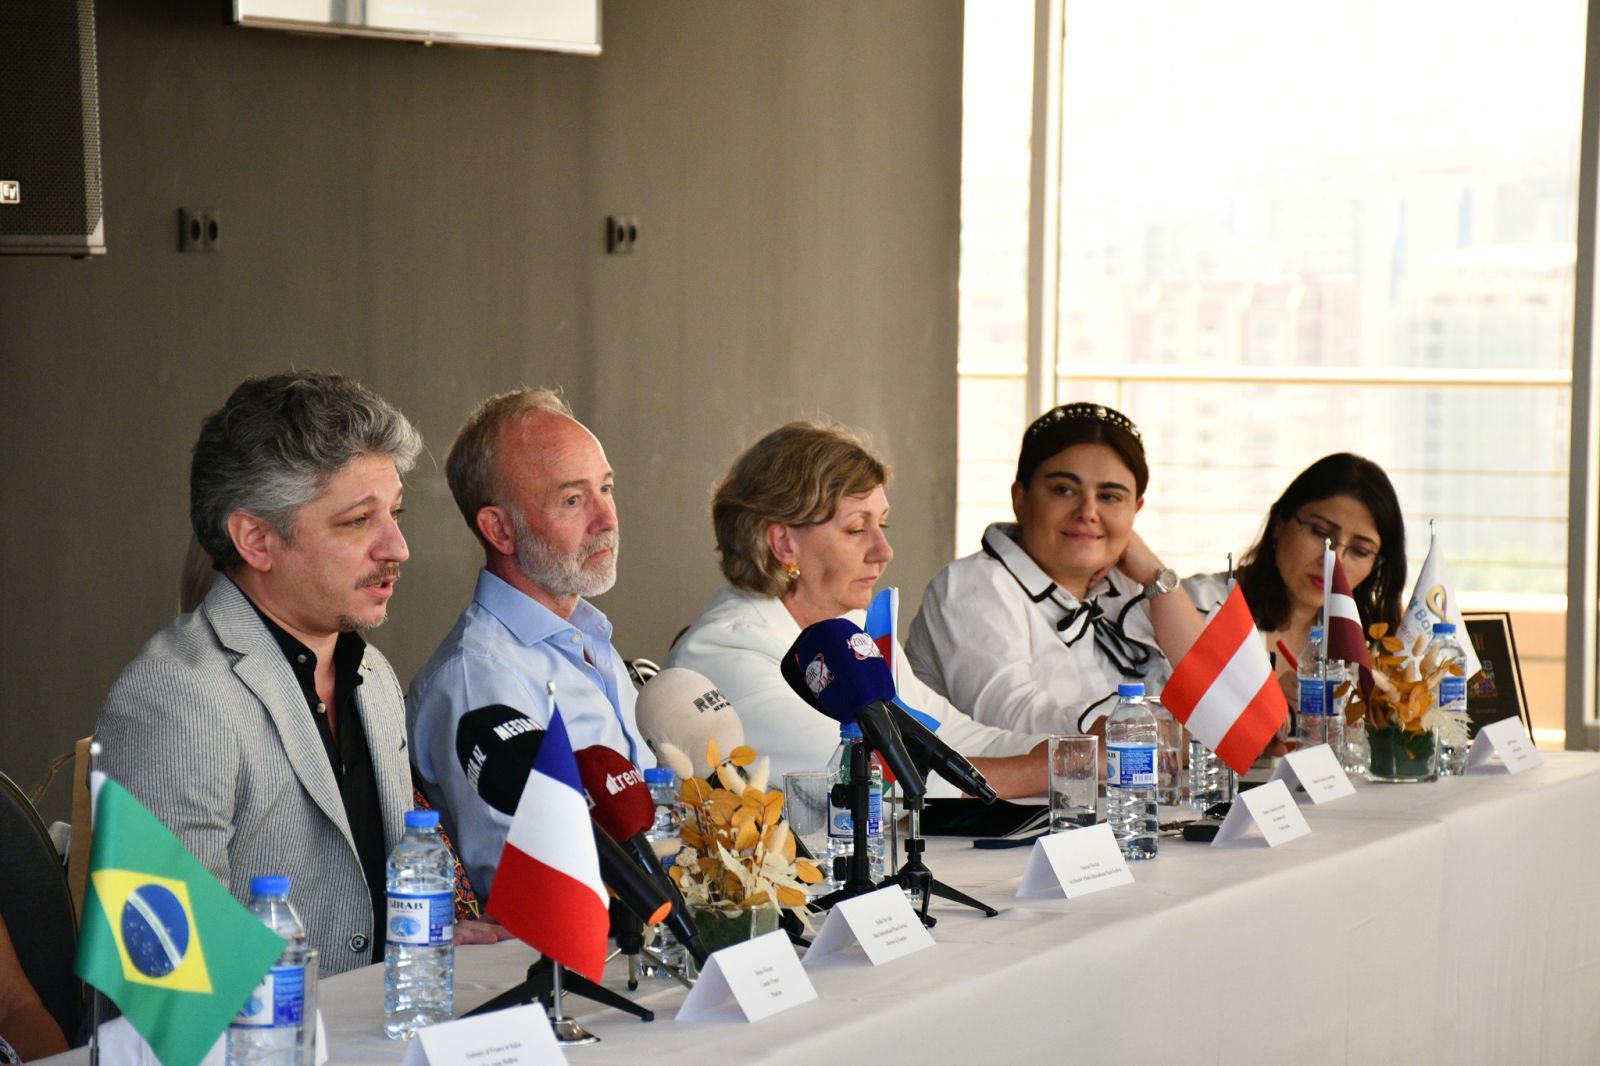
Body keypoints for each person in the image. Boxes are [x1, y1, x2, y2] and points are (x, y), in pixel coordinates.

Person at [95, 371, 421, 975]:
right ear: (256, 540)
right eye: (358, 521)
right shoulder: (175, 695)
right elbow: (169, 974)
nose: (397, 547)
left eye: (396, 513)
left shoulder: (371, 673)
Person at [667, 421, 1047, 797]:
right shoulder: (723, 653)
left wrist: (1064, 751)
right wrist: (1052, 770)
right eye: (855, 529)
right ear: (783, 543)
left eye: (882, 524)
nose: (884, 551)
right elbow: (879, 779)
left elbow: (950, 735)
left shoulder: (849, 628)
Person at [409, 388, 653, 900]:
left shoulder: (587, 635)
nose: (607, 520)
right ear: (499, 530)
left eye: (606, 488)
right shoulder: (479, 676)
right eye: (573, 500)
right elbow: (530, 890)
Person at [906, 402, 1205, 737]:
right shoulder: (971, 586)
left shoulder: (1131, 587)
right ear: (1020, 499)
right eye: (1064, 490)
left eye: (1109, 497)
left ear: (1136, 510)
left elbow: (1221, 701)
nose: (1087, 512)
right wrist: (1161, 736)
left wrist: (1157, 577)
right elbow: (1015, 721)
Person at [1182, 452, 1407, 709]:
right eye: (1320, 533)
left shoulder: (1372, 646)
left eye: (1360, 551)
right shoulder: (1200, 605)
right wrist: (1259, 710)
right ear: (1279, 523)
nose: (1332, 561)